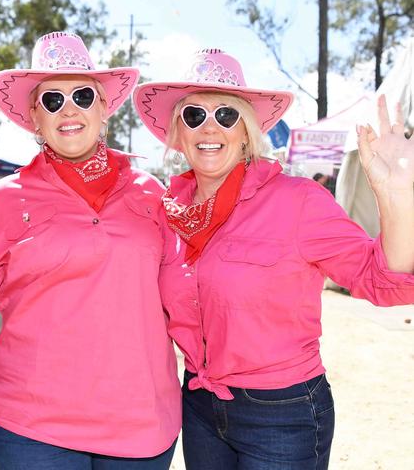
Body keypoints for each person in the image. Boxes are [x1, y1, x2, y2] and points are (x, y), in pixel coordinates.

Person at [133, 49, 414, 470]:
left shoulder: (298, 202)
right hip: (198, 406)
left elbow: (383, 281)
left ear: (246, 131)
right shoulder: (166, 213)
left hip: (282, 413)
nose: (210, 128)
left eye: (226, 115)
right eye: (194, 116)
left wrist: (397, 198)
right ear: (179, 133)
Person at [0, 31, 181, 469]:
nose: (69, 110)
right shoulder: (1, 201)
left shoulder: (153, 195)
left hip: (141, 425)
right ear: (34, 118)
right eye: (51, 101)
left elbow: (189, 290)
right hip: (29, 429)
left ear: (104, 108)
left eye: (83, 96)